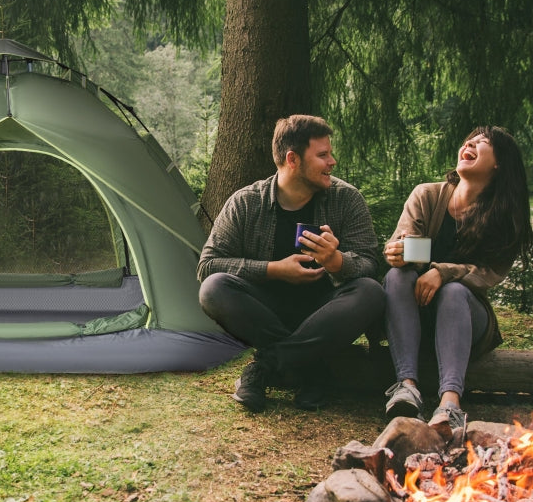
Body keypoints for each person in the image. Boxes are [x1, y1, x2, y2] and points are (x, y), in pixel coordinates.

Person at [197, 115, 385, 412]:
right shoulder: (246, 202)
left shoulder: (346, 199)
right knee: (213, 287)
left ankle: (267, 366)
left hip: (325, 312)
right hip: (267, 310)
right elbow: (208, 265)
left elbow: (370, 264)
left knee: (370, 291)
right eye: (322, 155)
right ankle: (312, 369)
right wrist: (274, 270)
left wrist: (337, 262)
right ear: (292, 159)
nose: (332, 162)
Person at [382, 126, 533, 439]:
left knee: (453, 291)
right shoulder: (427, 195)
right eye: (470, 139)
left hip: (465, 320)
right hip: (415, 315)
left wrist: (443, 271)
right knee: (396, 276)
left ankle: (450, 403)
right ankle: (406, 387)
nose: (471, 143)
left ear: (498, 164)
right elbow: (404, 244)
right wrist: (397, 251)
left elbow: (489, 274)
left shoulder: (504, 216)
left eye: (483, 142)